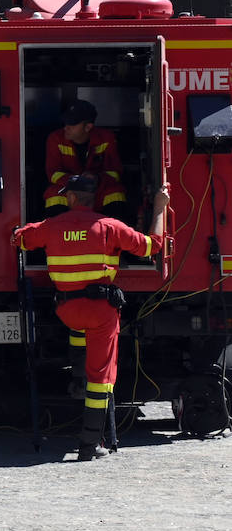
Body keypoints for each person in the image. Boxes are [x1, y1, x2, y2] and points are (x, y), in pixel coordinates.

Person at [13, 173, 170, 461]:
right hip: (100, 313)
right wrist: (159, 207)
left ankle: (77, 377)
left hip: (67, 311)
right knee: (101, 378)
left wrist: (31, 227)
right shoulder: (111, 227)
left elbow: (20, 239)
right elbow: (152, 247)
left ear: (70, 198)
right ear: (94, 198)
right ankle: (89, 443)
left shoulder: (51, 227)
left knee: (79, 330)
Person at [43, 100, 127, 218]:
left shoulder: (106, 138)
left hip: (97, 189)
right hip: (68, 188)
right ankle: (57, 234)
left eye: (72, 124)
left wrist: (96, 179)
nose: (66, 127)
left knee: (116, 193)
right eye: (65, 122)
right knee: (53, 194)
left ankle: (112, 233)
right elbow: (53, 174)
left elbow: (115, 173)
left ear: (88, 127)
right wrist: (77, 181)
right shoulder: (55, 138)